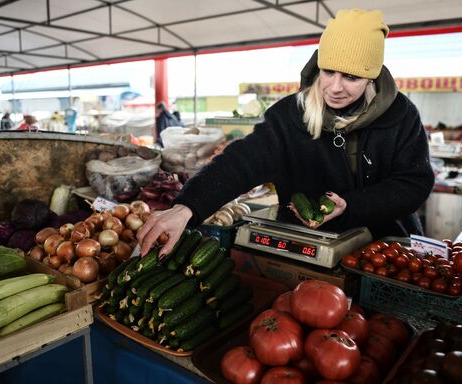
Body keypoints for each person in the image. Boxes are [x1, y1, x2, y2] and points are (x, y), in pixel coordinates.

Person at [138, 9, 435, 258]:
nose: (334, 87)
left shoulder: (400, 115)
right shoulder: (289, 115)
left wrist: (354, 205)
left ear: (371, 76)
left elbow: (414, 182)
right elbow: (242, 161)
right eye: (328, 71)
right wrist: (187, 206)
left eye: (351, 77)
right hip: (308, 249)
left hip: (386, 252)